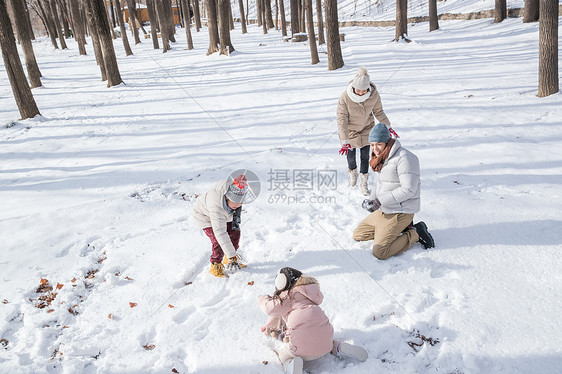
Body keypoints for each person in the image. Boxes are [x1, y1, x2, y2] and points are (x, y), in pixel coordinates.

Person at [258, 267, 368, 374]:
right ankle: (339, 348)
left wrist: (262, 298)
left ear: (281, 283)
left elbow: (269, 308)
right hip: (326, 341)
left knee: (284, 354)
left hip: (302, 350)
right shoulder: (309, 293)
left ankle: (292, 364)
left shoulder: (287, 297)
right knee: (327, 342)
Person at [353, 123, 435, 260]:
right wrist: (372, 200)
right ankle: (394, 229)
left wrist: (380, 201)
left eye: (378, 144)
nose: (375, 149)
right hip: (384, 209)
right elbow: (379, 183)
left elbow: (408, 189)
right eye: (372, 145)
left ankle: (415, 233)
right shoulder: (380, 158)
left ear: (386, 141)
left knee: (380, 252)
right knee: (359, 235)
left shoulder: (405, 158)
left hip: (401, 212)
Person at [337, 66, 397, 196]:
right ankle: (353, 174)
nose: (360, 93)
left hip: (366, 129)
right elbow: (341, 119)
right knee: (351, 157)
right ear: (353, 87)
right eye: (358, 90)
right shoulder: (345, 97)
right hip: (350, 131)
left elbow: (379, 112)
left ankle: (363, 182)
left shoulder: (374, 96)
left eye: (364, 91)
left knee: (365, 157)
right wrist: (344, 140)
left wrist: (388, 126)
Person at [192, 175, 249, 278]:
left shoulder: (236, 198)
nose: (238, 206)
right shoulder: (216, 205)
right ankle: (215, 265)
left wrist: (232, 253)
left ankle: (230, 259)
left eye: (240, 204)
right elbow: (221, 233)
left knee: (235, 233)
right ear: (227, 198)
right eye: (235, 205)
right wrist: (232, 255)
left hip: (224, 215)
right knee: (218, 241)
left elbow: (235, 218)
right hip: (205, 217)